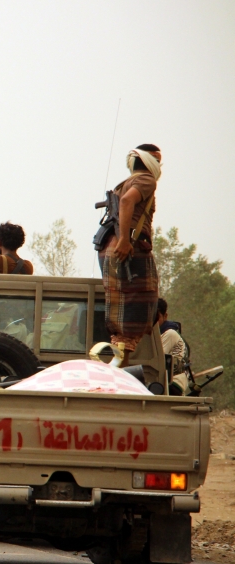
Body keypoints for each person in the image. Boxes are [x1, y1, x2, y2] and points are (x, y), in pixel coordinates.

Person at [98, 145, 162, 366]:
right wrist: (125, 240)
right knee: (139, 304)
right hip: (127, 247)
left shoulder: (124, 182)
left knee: (121, 309)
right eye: (158, 161)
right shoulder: (146, 180)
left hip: (111, 248)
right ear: (150, 161)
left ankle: (118, 366)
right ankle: (119, 372)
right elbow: (126, 202)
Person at [156, 298, 189, 395]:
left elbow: (156, 361)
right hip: (162, 380)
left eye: (156, 318)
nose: (152, 322)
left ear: (165, 316)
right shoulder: (157, 335)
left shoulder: (169, 334)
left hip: (173, 382)